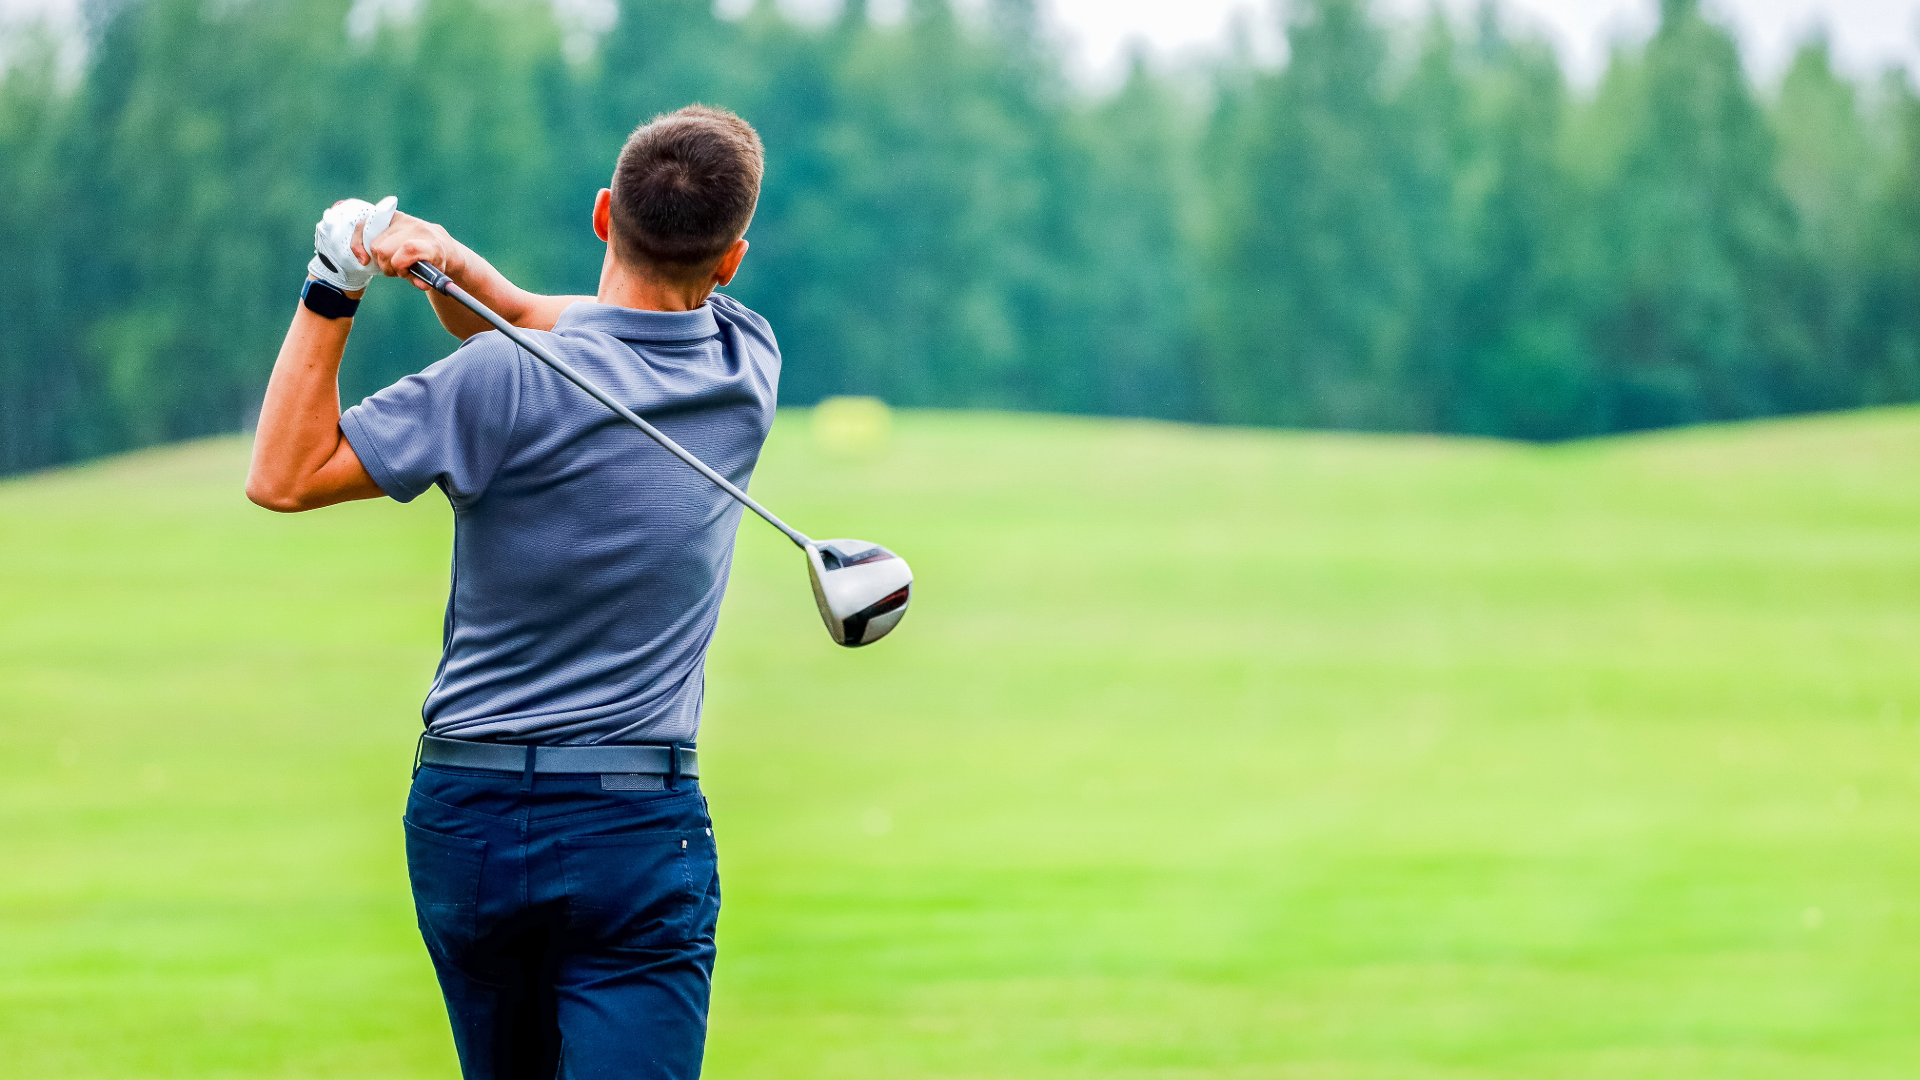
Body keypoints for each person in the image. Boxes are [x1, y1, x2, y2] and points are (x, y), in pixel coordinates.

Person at [245, 105, 777, 1080]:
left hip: (472, 816)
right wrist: (451, 263)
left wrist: (335, 284)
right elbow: (549, 315)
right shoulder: (746, 364)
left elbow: (284, 473)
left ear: (604, 214)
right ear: (732, 260)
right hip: (635, 825)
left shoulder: (492, 383)